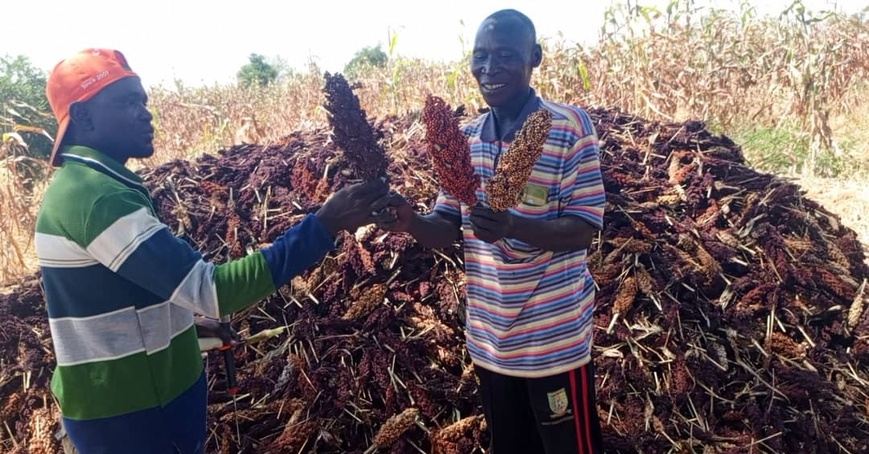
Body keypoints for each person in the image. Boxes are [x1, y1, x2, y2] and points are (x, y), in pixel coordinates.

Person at [35, 48, 389, 454]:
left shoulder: (96, 187)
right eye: (128, 102)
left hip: (139, 401)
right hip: (132, 417)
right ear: (83, 117)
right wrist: (324, 225)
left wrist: (185, 326)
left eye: (144, 101)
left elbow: (121, 296)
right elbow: (213, 291)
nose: (145, 113)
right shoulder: (95, 198)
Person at [377, 9, 606, 454]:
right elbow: (447, 226)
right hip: (491, 343)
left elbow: (582, 229)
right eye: (480, 56)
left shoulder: (569, 128)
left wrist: (513, 225)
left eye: (505, 55)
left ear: (534, 57)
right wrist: (410, 221)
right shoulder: (464, 139)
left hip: (553, 343)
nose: (489, 68)